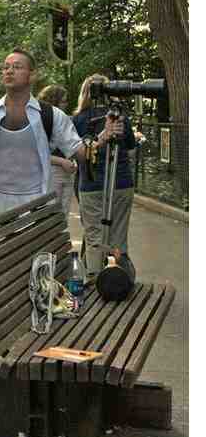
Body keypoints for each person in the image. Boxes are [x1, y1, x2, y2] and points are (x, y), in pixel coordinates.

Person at [0, 48, 110, 220]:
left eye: (17, 67)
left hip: (35, 211)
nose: (9, 70)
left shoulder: (52, 116)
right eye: (6, 67)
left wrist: (105, 135)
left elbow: (81, 154)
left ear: (32, 75)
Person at [72, 74, 135, 284]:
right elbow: (130, 149)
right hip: (122, 183)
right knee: (118, 236)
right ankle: (120, 280)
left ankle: (95, 279)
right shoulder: (121, 118)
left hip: (91, 186)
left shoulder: (79, 119)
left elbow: (76, 153)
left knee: (93, 237)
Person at [37, 84, 77, 219]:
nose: (66, 104)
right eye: (63, 101)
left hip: (67, 171)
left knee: (63, 214)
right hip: (51, 171)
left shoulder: (64, 119)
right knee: (50, 213)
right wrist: (61, 161)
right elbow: (35, 153)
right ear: (54, 100)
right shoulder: (41, 118)